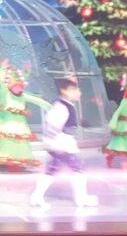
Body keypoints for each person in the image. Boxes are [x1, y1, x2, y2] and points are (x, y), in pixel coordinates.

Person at [30, 78, 98, 208]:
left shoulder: (66, 105)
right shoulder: (61, 106)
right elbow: (52, 124)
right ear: (64, 91)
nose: (78, 92)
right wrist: (55, 141)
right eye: (74, 89)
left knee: (52, 170)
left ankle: (37, 196)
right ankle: (81, 198)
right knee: (78, 168)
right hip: (61, 144)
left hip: (60, 143)